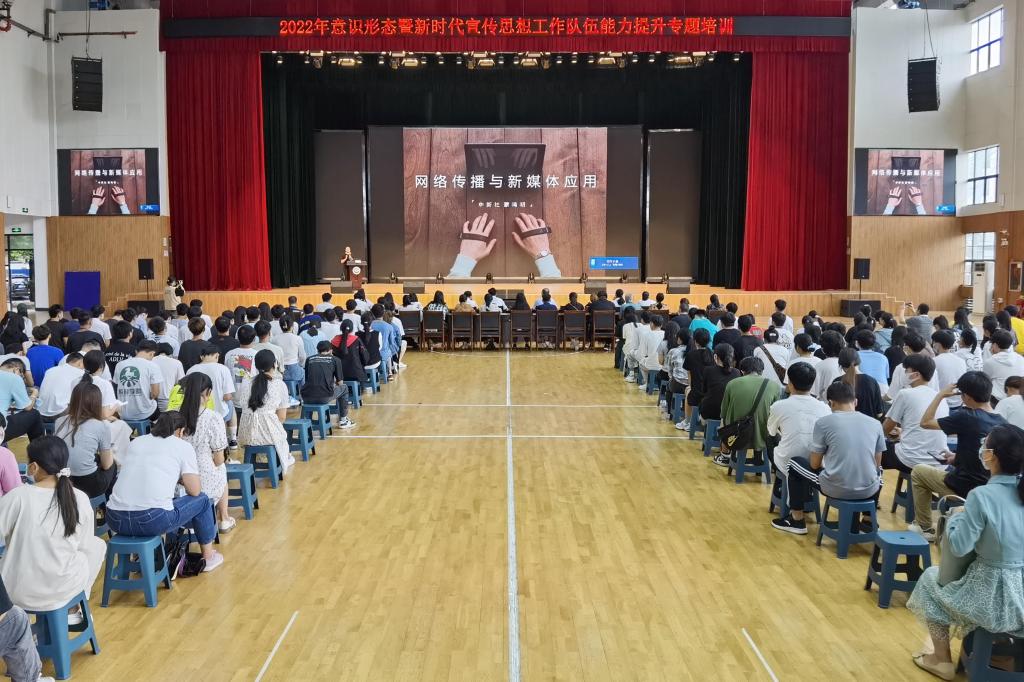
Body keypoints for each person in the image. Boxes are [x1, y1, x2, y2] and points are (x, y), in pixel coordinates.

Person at [906, 423, 1024, 680]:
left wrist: (957, 517)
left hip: (991, 595)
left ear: (992, 456)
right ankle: (999, 654)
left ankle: (941, 659)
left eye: (985, 445)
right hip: (1020, 594)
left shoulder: (982, 496)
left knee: (930, 580)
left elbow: (960, 546)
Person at [0, 436, 105, 629]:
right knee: (97, 545)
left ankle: (27, 628)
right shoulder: (79, 497)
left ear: (33, 467)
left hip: (14, 592)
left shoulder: (17, 497)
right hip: (61, 591)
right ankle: (73, 609)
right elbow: (83, 544)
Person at [106, 411, 223, 573]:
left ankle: (140, 556)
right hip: (151, 520)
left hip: (114, 518)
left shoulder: (137, 442)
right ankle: (208, 557)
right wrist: (180, 478)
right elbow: (195, 491)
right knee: (203, 500)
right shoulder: (182, 446)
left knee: (153, 502)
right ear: (180, 431)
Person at [771, 381, 884, 535]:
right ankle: (868, 521)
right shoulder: (875, 424)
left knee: (794, 463)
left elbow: (814, 464)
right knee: (879, 472)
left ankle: (797, 519)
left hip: (836, 488)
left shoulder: (824, 423)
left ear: (831, 403)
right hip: (869, 490)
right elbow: (877, 464)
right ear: (855, 401)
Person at [910, 371, 1004, 541]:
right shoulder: (1002, 422)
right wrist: (956, 457)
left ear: (966, 396)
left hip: (964, 486)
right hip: (989, 489)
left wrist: (940, 395)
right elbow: (982, 453)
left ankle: (925, 528)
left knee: (918, 471)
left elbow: (925, 422)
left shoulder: (967, 416)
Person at [176, 373, 233, 533]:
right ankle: (224, 519)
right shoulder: (213, 417)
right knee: (221, 469)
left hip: (178, 479)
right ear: (207, 393)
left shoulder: (175, 416)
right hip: (204, 482)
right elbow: (219, 459)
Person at [767, 361, 832, 490]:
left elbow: (771, 432)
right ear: (812, 384)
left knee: (770, 437)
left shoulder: (779, 406)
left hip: (787, 462)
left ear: (790, 383)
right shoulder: (824, 408)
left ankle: (780, 485)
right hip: (817, 464)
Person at [882, 354, 949, 474]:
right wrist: (903, 433)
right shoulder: (940, 398)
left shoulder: (905, 394)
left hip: (910, 460)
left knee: (872, 449)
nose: (904, 373)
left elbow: (886, 428)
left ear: (916, 375)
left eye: (907, 370)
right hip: (939, 462)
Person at [238, 350, 295, 476]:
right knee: (282, 440)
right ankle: (282, 458)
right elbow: (281, 417)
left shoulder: (246, 383)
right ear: (275, 364)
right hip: (269, 436)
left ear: (256, 365)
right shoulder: (279, 384)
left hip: (245, 434)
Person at [716, 356, 780, 467]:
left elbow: (724, 412)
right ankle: (760, 460)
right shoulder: (774, 386)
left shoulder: (732, 383)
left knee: (723, 422)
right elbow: (775, 413)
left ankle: (724, 456)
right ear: (761, 370)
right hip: (763, 436)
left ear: (742, 370)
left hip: (736, 435)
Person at [55, 381, 116, 498]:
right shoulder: (101, 425)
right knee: (112, 465)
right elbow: (107, 465)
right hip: (88, 485)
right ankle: (108, 503)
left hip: (63, 480)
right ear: (97, 403)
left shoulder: (59, 421)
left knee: (96, 458)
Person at [186, 344, 238, 449]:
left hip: (195, 412)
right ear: (217, 356)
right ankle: (233, 440)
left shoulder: (191, 370)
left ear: (201, 356)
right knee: (230, 404)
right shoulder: (223, 369)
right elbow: (227, 396)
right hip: (219, 413)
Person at [303, 341, 356, 430]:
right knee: (344, 388)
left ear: (318, 350)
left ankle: (307, 421)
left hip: (306, 396)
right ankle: (343, 420)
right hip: (324, 396)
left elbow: (307, 379)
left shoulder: (309, 359)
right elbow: (340, 383)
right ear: (331, 350)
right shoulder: (335, 359)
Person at [113, 340, 163, 422]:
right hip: (144, 413)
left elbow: (115, 386)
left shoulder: (120, 365)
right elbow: (155, 393)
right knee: (156, 407)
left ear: (137, 351)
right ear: (152, 353)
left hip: (123, 413)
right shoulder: (153, 366)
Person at [888, 332, 942, 400]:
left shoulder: (901, 367)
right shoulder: (931, 365)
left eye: (904, 344)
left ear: (906, 348)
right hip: (930, 402)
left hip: (910, 403)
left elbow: (891, 395)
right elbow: (936, 390)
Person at [834, 347, 884, 420]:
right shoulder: (872, 381)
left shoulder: (837, 383)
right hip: (869, 425)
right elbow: (879, 413)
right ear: (859, 362)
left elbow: (834, 410)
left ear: (841, 365)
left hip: (845, 425)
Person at [0, 358, 42, 443]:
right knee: (34, 414)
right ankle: (40, 450)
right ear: (16, 369)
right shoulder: (14, 378)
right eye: (21, 376)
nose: (21, 379)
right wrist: (35, 393)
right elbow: (27, 407)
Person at [699, 343, 741, 427]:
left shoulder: (708, 370)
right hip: (728, 416)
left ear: (715, 356)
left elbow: (704, 391)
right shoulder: (737, 372)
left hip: (709, 413)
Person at [37, 352, 85, 421]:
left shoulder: (50, 370)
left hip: (40, 411)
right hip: (60, 413)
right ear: (80, 363)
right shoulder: (81, 373)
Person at [984, 330, 1024, 401]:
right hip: (1019, 398)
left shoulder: (990, 362)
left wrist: (993, 356)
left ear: (995, 345)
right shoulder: (1020, 358)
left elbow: (986, 380)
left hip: (998, 400)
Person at [931, 330, 967, 409]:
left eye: (934, 342)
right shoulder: (961, 361)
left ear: (938, 344)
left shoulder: (934, 362)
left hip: (941, 403)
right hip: (959, 402)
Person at [810, 330, 845, 400]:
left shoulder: (819, 366)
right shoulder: (848, 363)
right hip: (846, 403)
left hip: (826, 404)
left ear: (822, 349)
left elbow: (814, 392)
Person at [333, 319, 369, 384]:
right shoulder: (357, 340)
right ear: (352, 329)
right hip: (356, 375)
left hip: (340, 376)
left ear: (341, 328)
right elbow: (365, 357)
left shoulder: (334, 340)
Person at [152, 342, 185, 413]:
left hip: (151, 399)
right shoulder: (177, 363)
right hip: (169, 399)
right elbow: (181, 383)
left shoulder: (151, 360)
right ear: (170, 352)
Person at [637, 315, 665, 390]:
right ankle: (657, 384)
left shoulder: (646, 335)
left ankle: (647, 383)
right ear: (661, 325)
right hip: (664, 365)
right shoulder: (665, 334)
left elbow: (642, 353)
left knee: (641, 362)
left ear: (651, 324)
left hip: (651, 364)